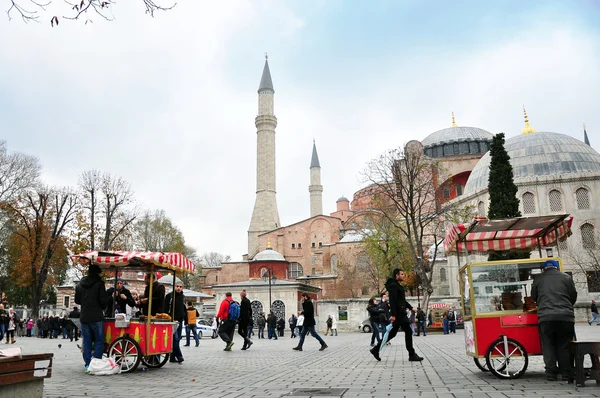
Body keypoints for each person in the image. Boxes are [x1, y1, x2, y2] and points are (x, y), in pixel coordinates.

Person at [531, 259, 577, 381]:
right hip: (566, 317)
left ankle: (551, 373)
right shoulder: (566, 278)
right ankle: (566, 373)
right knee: (564, 345)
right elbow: (573, 295)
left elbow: (533, 297)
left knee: (548, 344)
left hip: (546, 317)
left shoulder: (538, 279)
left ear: (544, 269)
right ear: (557, 268)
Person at [370, 268, 423, 362]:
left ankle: (376, 349)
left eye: (403, 274)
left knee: (392, 334)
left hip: (400, 313)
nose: (403, 275)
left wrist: (411, 308)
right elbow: (392, 301)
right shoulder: (394, 286)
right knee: (408, 332)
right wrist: (393, 315)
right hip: (399, 314)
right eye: (401, 274)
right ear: (397, 275)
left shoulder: (397, 285)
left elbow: (402, 301)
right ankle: (411, 354)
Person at [75, 263, 108, 372]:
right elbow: (103, 301)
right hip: (97, 317)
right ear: (97, 272)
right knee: (99, 340)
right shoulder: (99, 284)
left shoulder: (80, 285)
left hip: (84, 317)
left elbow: (77, 300)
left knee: (86, 342)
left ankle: (87, 364)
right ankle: (96, 363)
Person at [165, 281, 186, 363]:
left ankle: (172, 357)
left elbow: (184, 309)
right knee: (175, 339)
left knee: (177, 339)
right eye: (177, 286)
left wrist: (185, 318)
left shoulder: (183, 297)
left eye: (180, 287)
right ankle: (179, 356)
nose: (179, 288)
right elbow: (166, 308)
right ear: (174, 287)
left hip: (180, 321)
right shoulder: (169, 296)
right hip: (172, 320)